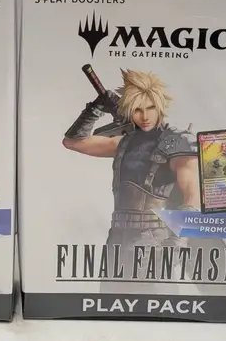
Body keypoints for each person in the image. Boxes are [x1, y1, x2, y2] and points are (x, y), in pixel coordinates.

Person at [63, 69, 199, 252]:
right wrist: (95, 108)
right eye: (137, 110)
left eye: (150, 108)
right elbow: (72, 142)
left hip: (154, 237)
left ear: (160, 106)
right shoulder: (125, 142)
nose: (145, 117)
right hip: (117, 236)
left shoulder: (178, 141)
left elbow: (192, 197)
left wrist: (177, 243)